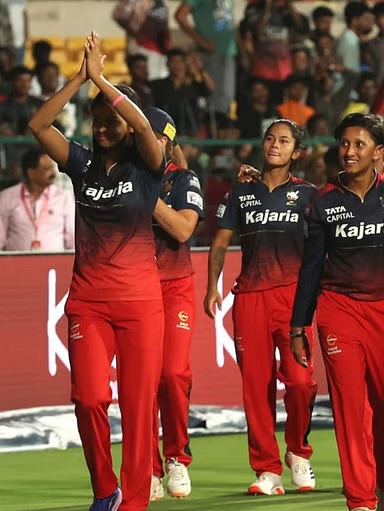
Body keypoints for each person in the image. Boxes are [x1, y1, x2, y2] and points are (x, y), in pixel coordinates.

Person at [28, 32, 166, 511]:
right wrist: (79, 78)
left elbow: (146, 129)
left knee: (138, 408)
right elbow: (39, 124)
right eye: (98, 122)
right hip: (89, 303)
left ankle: (134, 503)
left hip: (142, 306)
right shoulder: (82, 164)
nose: (104, 128)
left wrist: (104, 82)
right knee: (88, 399)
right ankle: (105, 489)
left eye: (113, 122)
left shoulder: (148, 166)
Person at [289, 113, 384, 511]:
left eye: (360, 144)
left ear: (381, 151)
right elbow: (310, 268)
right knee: (348, 406)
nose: (350, 151)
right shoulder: (323, 201)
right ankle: (359, 497)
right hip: (339, 310)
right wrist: (298, 325)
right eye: (344, 143)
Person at [205, 119, 318, 496]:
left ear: (296, 152)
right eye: (270, 138)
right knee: (256, 387)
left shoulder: (309, 195)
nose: (274, 144)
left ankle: (298, 453)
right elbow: (220, 242)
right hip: (250, 297)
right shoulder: (241, 192)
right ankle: (267, 469)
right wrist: (211, 288)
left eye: (284, 140)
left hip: (293, 297)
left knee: (301, 382)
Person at [146, 107, 204, 500]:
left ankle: (176, 458)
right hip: (132, 286)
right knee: (141, 382)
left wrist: (143, 193)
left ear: (165, 142)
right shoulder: (115, 176)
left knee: (172, 374)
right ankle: (147, 467)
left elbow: (184, 229)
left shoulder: (182, 179)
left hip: (174, 286)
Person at [0, 148, 74, 251]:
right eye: (47, 169)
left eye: (53, 167)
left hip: (55, 265)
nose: (53, 173)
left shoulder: (63, 198)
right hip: (16, 265)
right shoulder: (7, 197)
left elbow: (72, 238)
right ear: (31, 173)